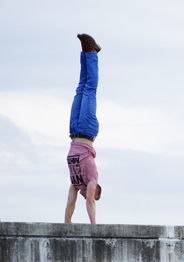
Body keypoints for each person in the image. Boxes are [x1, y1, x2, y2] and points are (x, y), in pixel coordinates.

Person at [64, 34, 102, 224]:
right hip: (87, 131)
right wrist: (94, 227)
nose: (90, 195)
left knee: (80, 89)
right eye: (94, 194)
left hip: (73, 130)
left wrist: (66, 225)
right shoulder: (92, 177)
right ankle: (93, 53)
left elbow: (71, 201)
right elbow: (88, 200)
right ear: (96, 189)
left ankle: (85, 50)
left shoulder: (75, 184)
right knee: (89, 89)